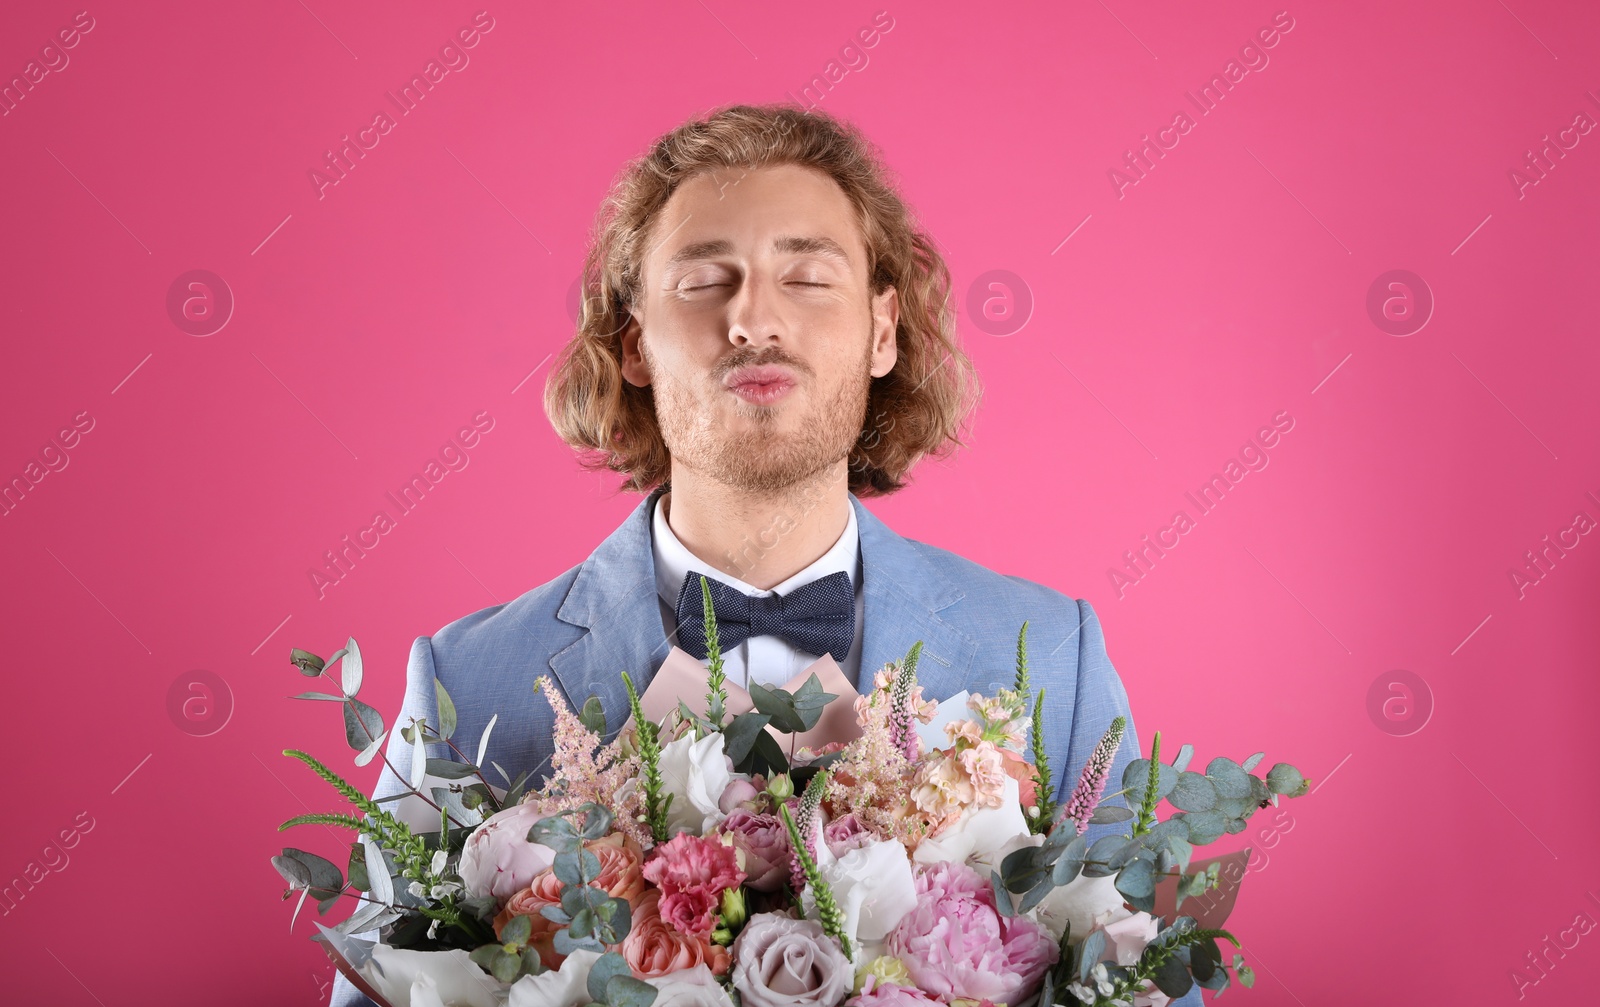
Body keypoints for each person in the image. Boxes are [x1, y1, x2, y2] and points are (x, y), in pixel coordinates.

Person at [330, 103, 1155, 1007]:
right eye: (703, 281)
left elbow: (1148, 981)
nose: (754, 318)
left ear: (883, 330)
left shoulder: (1055, 661)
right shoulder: (467, 685)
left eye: (805, 276)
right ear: (634, 339)